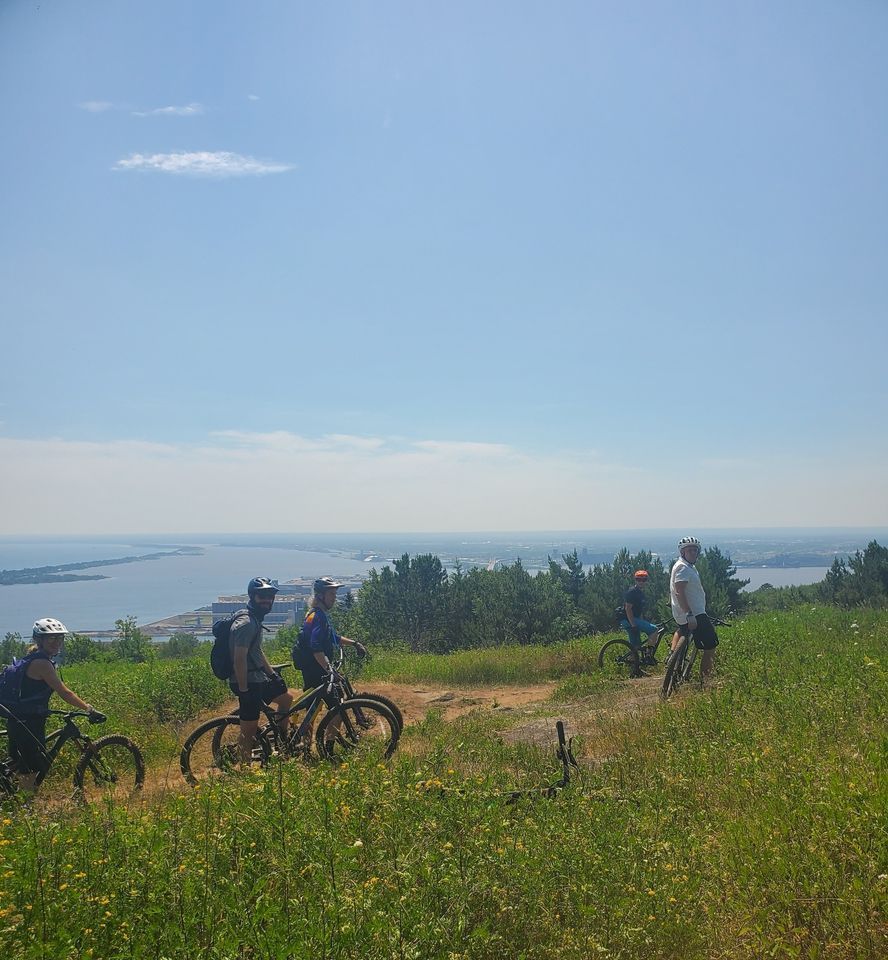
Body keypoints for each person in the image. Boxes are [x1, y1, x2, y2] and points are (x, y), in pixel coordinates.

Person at [1, 618, 101, 793]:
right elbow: (65, 692)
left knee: (20, 762)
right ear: (39, 641)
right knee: (31, 768)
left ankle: (15, 797)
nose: (56, 643)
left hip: (18, 719)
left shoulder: (31, 659)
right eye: (51, 639)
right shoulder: (42, 664)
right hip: (28, 723)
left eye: (59, 638)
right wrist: (88, 708)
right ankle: (26, 808)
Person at [230, 578, 294, 762]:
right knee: (248, 730)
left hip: (256, 678)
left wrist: (272, 675)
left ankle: (281, 743)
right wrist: (244, 690)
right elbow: (239, 658)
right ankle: (244, 770)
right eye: (262, 596)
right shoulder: (247, 623)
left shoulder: (254, 619)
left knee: (286, 699)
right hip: (247, 682)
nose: (267, 600)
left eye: (270, 597)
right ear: (252, 596)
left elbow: (256, 651)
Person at [292, 577, 366, 707]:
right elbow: (316, 648)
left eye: (335, 594)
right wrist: (329, 670)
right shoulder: (317, 617)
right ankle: (328, 728)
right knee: (337, 706)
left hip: (315, 668)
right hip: (316, 670)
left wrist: (354, 643)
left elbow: (332, 637)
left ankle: (308, 726)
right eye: (331, 594)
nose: (334, 598)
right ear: (320, 596)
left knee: (316, 706)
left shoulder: (318, 614)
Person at [669, 536, 719, 680]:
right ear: (682, 552)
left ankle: (674, 660)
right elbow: (679, 590)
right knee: (711, 646)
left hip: (687, 612)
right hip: (695, 614)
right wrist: (689, 613)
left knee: (682, 633)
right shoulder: (683, 568)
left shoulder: (685, 566)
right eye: (689, 550)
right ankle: (706, 680)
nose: (692, 553)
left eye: (695, 550)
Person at [620, 570, 658, 674]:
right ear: (635, 580)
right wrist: (633, 625)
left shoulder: (640, 593)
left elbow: (639, 611)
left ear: (646, 581)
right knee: (654, 629)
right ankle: (648, 656)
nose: (641, 582)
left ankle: (635, 671)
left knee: (635, 645)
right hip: (628, 619)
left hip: (630, 619)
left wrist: (640, 623)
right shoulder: (632, 592)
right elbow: (628, 608)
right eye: (639, 579)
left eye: (644, 579)